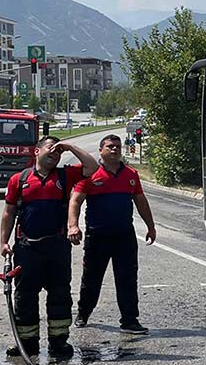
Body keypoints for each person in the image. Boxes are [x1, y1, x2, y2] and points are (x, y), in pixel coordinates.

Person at [0, 136, 97, 358]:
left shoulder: (65, 175)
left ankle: (58, 343)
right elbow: (8, 212)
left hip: (57, 247)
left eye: (58, 152)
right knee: (24, 297)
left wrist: (69, 146)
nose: (55, 154)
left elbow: (92, 167)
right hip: (27, 248)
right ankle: (27, 343)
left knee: (59, 295)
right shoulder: (19, 179)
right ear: (36, 151)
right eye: (51, 148)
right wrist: (4, 242)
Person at [67, 135, 157, 334]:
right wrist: (73, 226)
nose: (114, 149)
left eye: (117, 146)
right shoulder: (90, 174)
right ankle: (83, 313)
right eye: (110, 146)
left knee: (127, 279)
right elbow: (75, 201)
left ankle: (129, 320)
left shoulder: (131, 174)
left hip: (124, 235)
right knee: (92, 278)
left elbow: (141, 201)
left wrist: (150, 226)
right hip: (97, 235)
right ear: (101, 150)